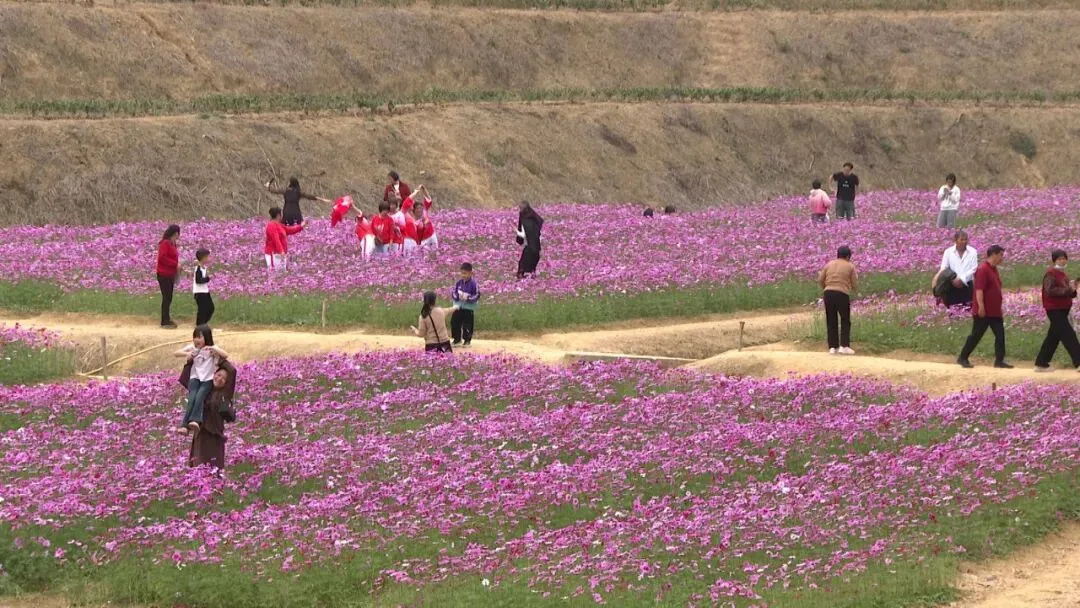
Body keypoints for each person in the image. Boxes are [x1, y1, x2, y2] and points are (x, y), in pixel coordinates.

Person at [958, 245, 1012, 369]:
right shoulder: (983, 270)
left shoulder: (994, 269)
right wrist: (981, 307)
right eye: (1000, 255)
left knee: (1000, 335)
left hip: (995, 311)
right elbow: (979, 290)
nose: (1002, 258)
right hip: (984, 311)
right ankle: (963, 357)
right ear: (993, 254)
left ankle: (999, 360)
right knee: (976, 335)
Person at [174, 325, 229, 435]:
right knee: (192, 398)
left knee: (200, 396)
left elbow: (225, 355)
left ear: (207, 337)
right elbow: (176, 353)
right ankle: (185, 426)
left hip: (207, 379)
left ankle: (195, 420)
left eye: (199, 337)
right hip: (195, 378)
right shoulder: (193, 348)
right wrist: (187, 354)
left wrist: (214, 349)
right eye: (195, 337)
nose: (196, 340)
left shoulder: (211, 348)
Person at [1033, 250, 1080, 372]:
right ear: (1054, 260)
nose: (1062, 261)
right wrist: (1067, 290)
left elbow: (1068, 293)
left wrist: (1073, 289)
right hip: (1054, 309)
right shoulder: (1050, 273)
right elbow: (1050, 290)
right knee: (1069, 335)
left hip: (1063, 309)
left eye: (1064, 258)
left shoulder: (1063, 274)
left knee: (1053, 337)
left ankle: (1041, 363)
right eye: (1059, 259)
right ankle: (1078, 362)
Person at [189, 361, 236, 470]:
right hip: (201, 434)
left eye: (223, 379)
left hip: (215, 436)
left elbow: (232, 371)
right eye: (218, 375)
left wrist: (218, 359)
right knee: (198, 468)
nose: (219, 379)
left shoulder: (225, 393)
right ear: (213, 374)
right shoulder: (203, 389)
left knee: (214, 469)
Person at [818, 246, 858, 355]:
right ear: (848, 256)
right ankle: (844, 346)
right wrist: (854, 291)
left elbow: (820, 279)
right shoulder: (850, 266)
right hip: (842, 293)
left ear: (838, 254)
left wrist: (827, 287)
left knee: (831, 320)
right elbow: (854, 283)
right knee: (845, 320)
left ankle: (832, 347)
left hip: (828, 293)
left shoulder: (829, 264)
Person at [932, 230, 978, 309]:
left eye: (966, 239)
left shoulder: (973, 251)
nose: (964, 242)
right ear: (956, 240)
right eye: (962, 239)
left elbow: (973, 268)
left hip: (967, 283)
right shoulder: (948, 252)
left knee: (967, 307)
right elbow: (944, 267)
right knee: (953, 308)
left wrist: (961, 279)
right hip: (952, 283)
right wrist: (937, 277)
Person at [264, 206, 307, 271]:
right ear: (278, 215)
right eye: (281, 214)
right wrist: (281, 251)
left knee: (281, 272)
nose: (282, 215)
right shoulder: (271, 226)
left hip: (280, 254)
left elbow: (289, 230)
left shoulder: (279, 225)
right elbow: (276, 240)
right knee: (275, 272)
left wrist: (301, 226)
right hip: (273, 254)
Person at [156, 224, 181, 329]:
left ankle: (167, 318)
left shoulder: (173, 244)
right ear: (175, 233)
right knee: (166, 297)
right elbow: (162, 257)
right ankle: (164, 321)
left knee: (169, 297)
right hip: (163, 274)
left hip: (170, 274)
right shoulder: (165, 243)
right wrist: (175, 264)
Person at [451, 263, 481, 347]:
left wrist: (468, 298)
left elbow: (477, 295)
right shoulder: (458, 283)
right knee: (454, 322)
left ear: (471, 273)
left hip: (468, 308)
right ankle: (457, 340)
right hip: (458, 306)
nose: (463, 275)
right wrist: (457, 297)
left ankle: (467, 341)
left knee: (467, 324)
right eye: (462, 273)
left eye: (465, 273)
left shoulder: (474, 284)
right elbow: (453, 292)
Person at [516, 201, 544, 279]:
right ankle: (531, 271)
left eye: (521, 208)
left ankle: (522, 272)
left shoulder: (527, 216)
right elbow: (540, 221)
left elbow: (521, 228)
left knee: (528, 255)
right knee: (532, 254)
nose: (520, 210)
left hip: (533, 240)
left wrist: (520, 239)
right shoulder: (530, 214)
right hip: (533, 240)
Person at [192, 248, 214, 326]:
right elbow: (198, 280)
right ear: (203, 258)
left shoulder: (203, 267)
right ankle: (199, 325)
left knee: (210, 308)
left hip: (205, 291)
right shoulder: (198, 268)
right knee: (202, 310)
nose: (208, 259)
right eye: (207, 257)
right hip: (199, 292)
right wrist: (207, 278)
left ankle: (203, 323)